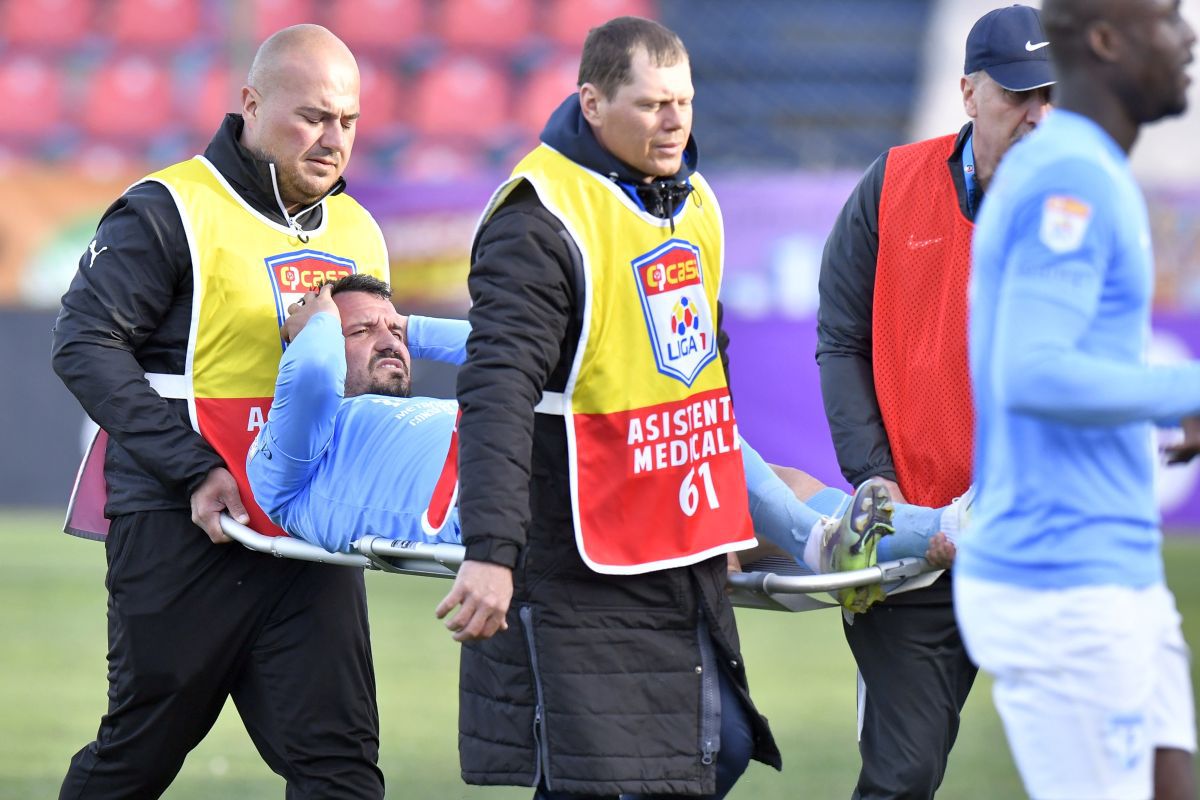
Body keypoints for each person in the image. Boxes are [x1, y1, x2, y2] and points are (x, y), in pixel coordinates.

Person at [420, 16, 772, 799]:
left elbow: (705, 374)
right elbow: (496, 390)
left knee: (721, 749)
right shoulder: (536, 219)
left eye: (682, 101)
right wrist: (491, 551)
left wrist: (720, 517)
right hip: (580, 549)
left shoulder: (694, 198)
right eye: (650, 104)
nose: (674, 120)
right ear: (592, 103)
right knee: (614, 777)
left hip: (675, 542)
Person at [50, 25, 388, 798]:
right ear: (250, 104)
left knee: (341, 770)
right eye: (312, 117)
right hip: (180, 527)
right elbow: (83, 345)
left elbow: (363, 386)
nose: (333, 140)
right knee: (135, 760)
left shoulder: (359, 229)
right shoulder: (168, 208)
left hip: (306, 533)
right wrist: (196, 469)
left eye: (348, 122)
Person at [246, 277, 960, 576]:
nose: (389, 341)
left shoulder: (400, 412)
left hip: (534, 463)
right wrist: (312, 321)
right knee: (675, 419)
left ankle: (926, 531)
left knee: (783, 484)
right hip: (512, 497)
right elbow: (311, 375)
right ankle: (891, 534)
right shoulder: (291, 453)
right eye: (360, 332)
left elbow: (518, 357)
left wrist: (408, 327)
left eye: (392, 327)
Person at [957, 0, 1199, 797]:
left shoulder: (1075, 163)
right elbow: (1035, 373)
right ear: (1106, 40)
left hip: (1113, 570)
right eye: (1167, 18)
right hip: (1064, 586)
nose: (1188, 34)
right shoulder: (1073, 176)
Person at [815, 5, 1053, 797]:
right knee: (905, 774)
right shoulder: (891, 183)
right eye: (1018, 94)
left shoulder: (1076, 213)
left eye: (1049, 94)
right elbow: (841, 339)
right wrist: (873, 477)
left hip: (1035, 547)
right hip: (915, 545)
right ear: (967, 94)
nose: (1037, 113)